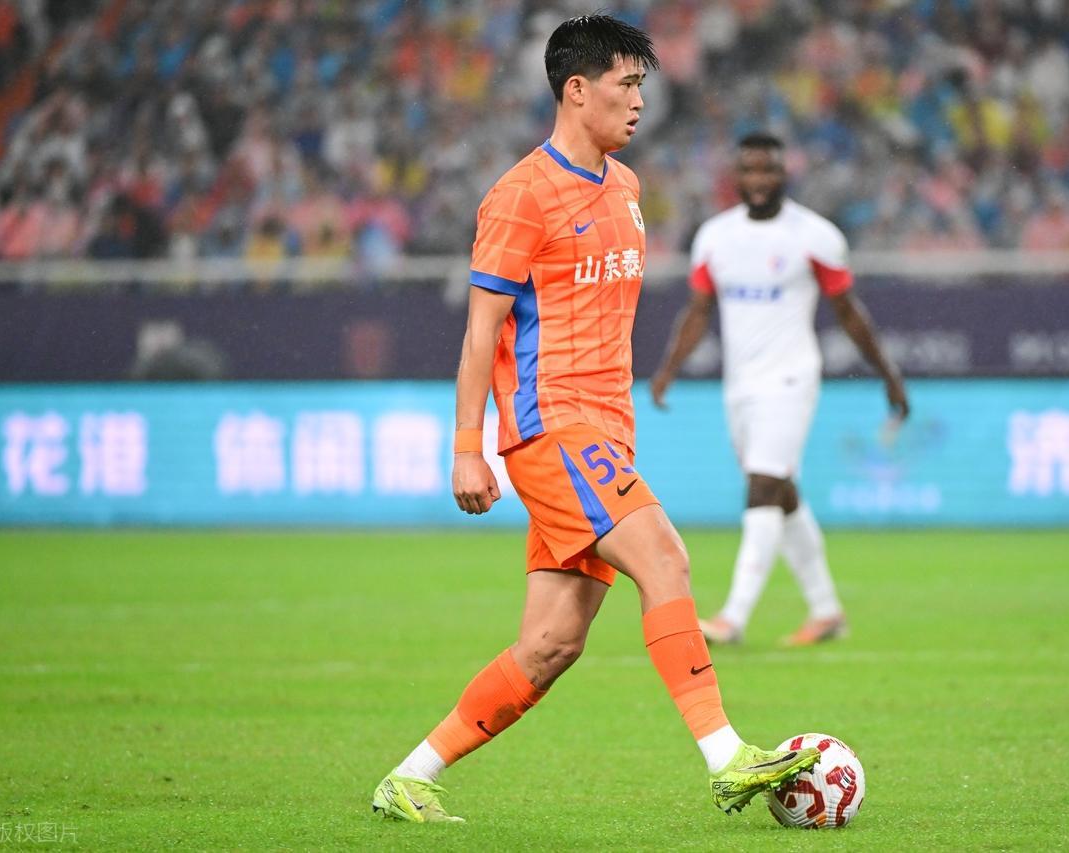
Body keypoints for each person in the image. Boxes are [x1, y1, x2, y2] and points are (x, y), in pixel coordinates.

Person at [371, 16, 820, 826]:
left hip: (606, 431)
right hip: (553, 426)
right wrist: (468, 447)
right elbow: (480, 333)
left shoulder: (627, 188)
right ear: (577, 90)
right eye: (627, 84)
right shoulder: (519, 196)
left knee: (551, 644)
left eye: (643, 84)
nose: (641, 101)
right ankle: (726, 756)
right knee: (666, 556)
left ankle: (410, 776)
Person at [650, 133, 908, 647]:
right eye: (749, 170)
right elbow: (699, 310)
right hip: (740, 385)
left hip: (791, 378)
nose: (759, 180)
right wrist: (668, 368)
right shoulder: (715, 237)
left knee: (763, 486)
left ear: (784, 174)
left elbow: (848, 312)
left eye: (768, 170)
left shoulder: (815, 236)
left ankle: (733, 617)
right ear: (736, 177)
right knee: (783, 494)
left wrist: (887, 373)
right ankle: (826, 610)